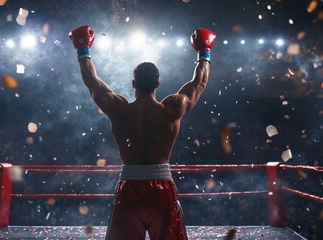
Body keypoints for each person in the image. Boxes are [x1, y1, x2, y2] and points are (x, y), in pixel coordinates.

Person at [69, 25, 216, 240]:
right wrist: (204, 51)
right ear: (158, 84)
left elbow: (91, 81)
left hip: (130, 187)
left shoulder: (120, 110)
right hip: (161, 187)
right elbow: (200, 83)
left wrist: (83, 50)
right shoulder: (173, 108)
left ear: (133, 84)